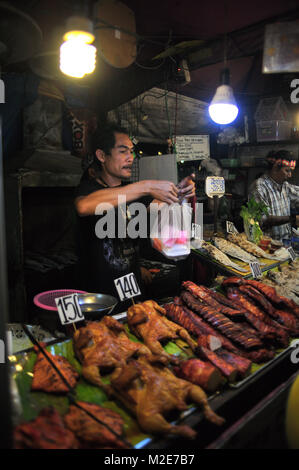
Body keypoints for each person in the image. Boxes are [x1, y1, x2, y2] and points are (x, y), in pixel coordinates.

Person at [74, 122, 195, 310]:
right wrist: (145, 186)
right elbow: (84, 206)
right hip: (100, 292)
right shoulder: (90, 188)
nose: (130, 158)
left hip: (132, 288)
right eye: (123, 151)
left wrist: (181, 192)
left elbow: (161, 206)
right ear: (101, 156)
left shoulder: (133, 192)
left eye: (131, 152)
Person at [250, 150, 299, 241]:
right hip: (267, 246)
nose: (290, 175)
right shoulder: (259, 187)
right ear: (275, 168)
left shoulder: (285, 186)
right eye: (287, 171)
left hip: (285, 244)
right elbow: (263, 220)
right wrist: (293, 219)